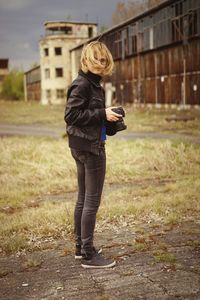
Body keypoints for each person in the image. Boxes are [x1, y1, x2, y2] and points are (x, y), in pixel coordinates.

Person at [64, 41, 122, 269]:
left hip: (82, 145)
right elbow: (71, 115)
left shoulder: (92, 84)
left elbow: (88, 116)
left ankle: (81, 248)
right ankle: (88, 255)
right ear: (85, 60)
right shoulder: (83, 84)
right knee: (91, 201)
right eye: (96, 58)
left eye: (104, 59)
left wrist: (110, 119)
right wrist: (102, 113)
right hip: (89, 148)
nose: (101, 62)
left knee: (83, 198)